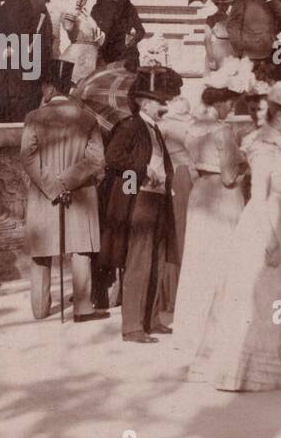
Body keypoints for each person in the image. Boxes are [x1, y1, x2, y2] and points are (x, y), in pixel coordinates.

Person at [190, 74, 281, 390]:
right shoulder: (264, 146)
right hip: (267, 224)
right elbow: (259, 196)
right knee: (266, 292)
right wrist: (270, 239)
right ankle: (258, 366)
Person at [19, 59, 108, 322]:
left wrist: (52, 185)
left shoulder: (33, 117)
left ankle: (40, 308)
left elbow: (27, 157)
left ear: (48, 88)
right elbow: (96, 160)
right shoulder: (87, 118)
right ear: (68, 87)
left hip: (44, 194)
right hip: (79, 192)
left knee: (42, 251)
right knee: (80, 248)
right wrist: (67, 181)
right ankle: (82, 308)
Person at [174, 56, 249, 362]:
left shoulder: (193, 129)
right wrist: (245, 162)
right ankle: (222, 325)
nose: (231, 110)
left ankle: (190, 327)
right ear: (222, 102)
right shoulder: (222, 131)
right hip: (222, 194)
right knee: (225, 260)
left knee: (197, 262)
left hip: (200, 194)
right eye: (230, 104)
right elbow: (231, 176)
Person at [99, 67, 180, 344]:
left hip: (157, 199)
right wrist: (143, 170)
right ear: (145, 102)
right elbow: (113, 158)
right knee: (139, 262)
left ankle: (152, 319)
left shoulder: (153, 128)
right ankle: (133, 326)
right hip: (140, 201)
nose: (165, 105)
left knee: (156, 258)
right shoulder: (131, 125)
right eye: (161, 101)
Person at [156, 91, 198, 330]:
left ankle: (170, 294)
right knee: (184, 234)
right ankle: (181, 292)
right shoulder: (193, 125)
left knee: (173, 234)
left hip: (173, 179)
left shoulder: (162, 127)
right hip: (190, 179)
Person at [93, 0, 147, 67]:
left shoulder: (129, 8)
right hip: (104, 54)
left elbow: (141, 31)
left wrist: (133, 41)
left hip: (126, 54)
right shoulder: (97, 8)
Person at [59, 0, 103, 83]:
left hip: (92, 54)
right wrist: (74, 8)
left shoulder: (88, 9)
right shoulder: (70, 7)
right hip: (78, 55)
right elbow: (68, 26)